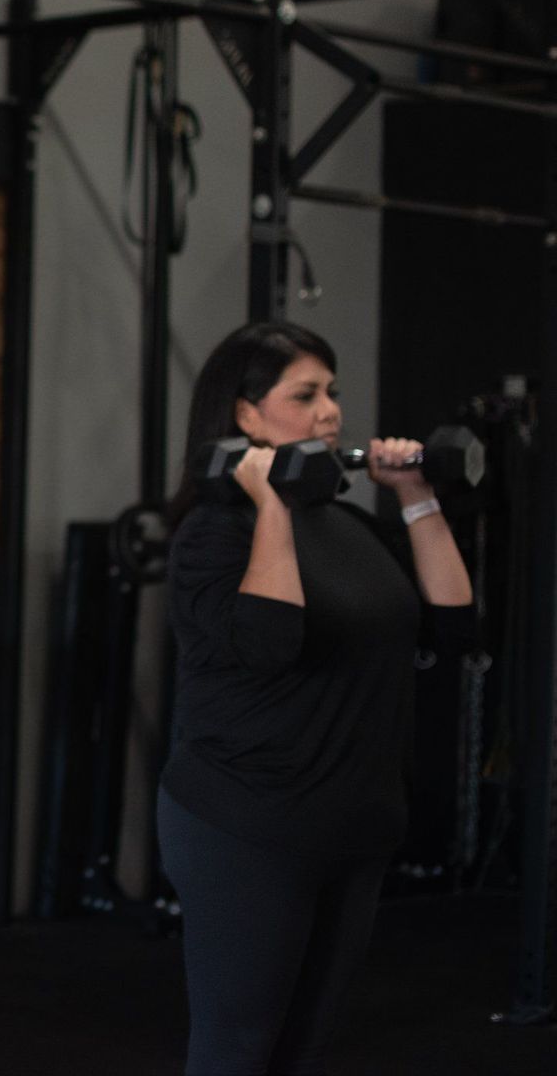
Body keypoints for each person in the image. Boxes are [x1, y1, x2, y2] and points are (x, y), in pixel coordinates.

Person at [157, 321, 475, 1075]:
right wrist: (272, 503)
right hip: (248, 823)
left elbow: (454, 634)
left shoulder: (354, 529)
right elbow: (269, 642)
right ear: (245, 416)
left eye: (333, 392)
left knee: (302, 1049)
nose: (332, 411)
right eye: (307, 395)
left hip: (354, 823)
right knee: (239, 1048)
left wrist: (417, 497)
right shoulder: (212, 536)